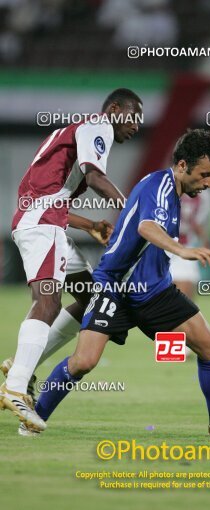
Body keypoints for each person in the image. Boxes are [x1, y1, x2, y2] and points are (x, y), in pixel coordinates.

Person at [28, 129, 210, 438]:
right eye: (204, 174)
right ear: (182, 165)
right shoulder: (158, 185)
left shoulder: (175, 192)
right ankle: (33, 419)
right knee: (84, 361)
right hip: (113, 287)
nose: (209, 182)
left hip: (154, 291)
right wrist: (181, 249)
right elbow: (146, 226)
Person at [0, 88, 143, 432]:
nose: (137, 126)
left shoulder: (73, 131)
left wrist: (91, 224)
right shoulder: (99, 127)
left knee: (90, 297)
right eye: (133, 116)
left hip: (46, 219)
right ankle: (17, 386)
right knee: (47, 301)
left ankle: (21, 367)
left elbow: (52, 196)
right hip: (43, 225)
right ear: (114, 109)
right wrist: (132, 210)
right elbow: (94, 177)